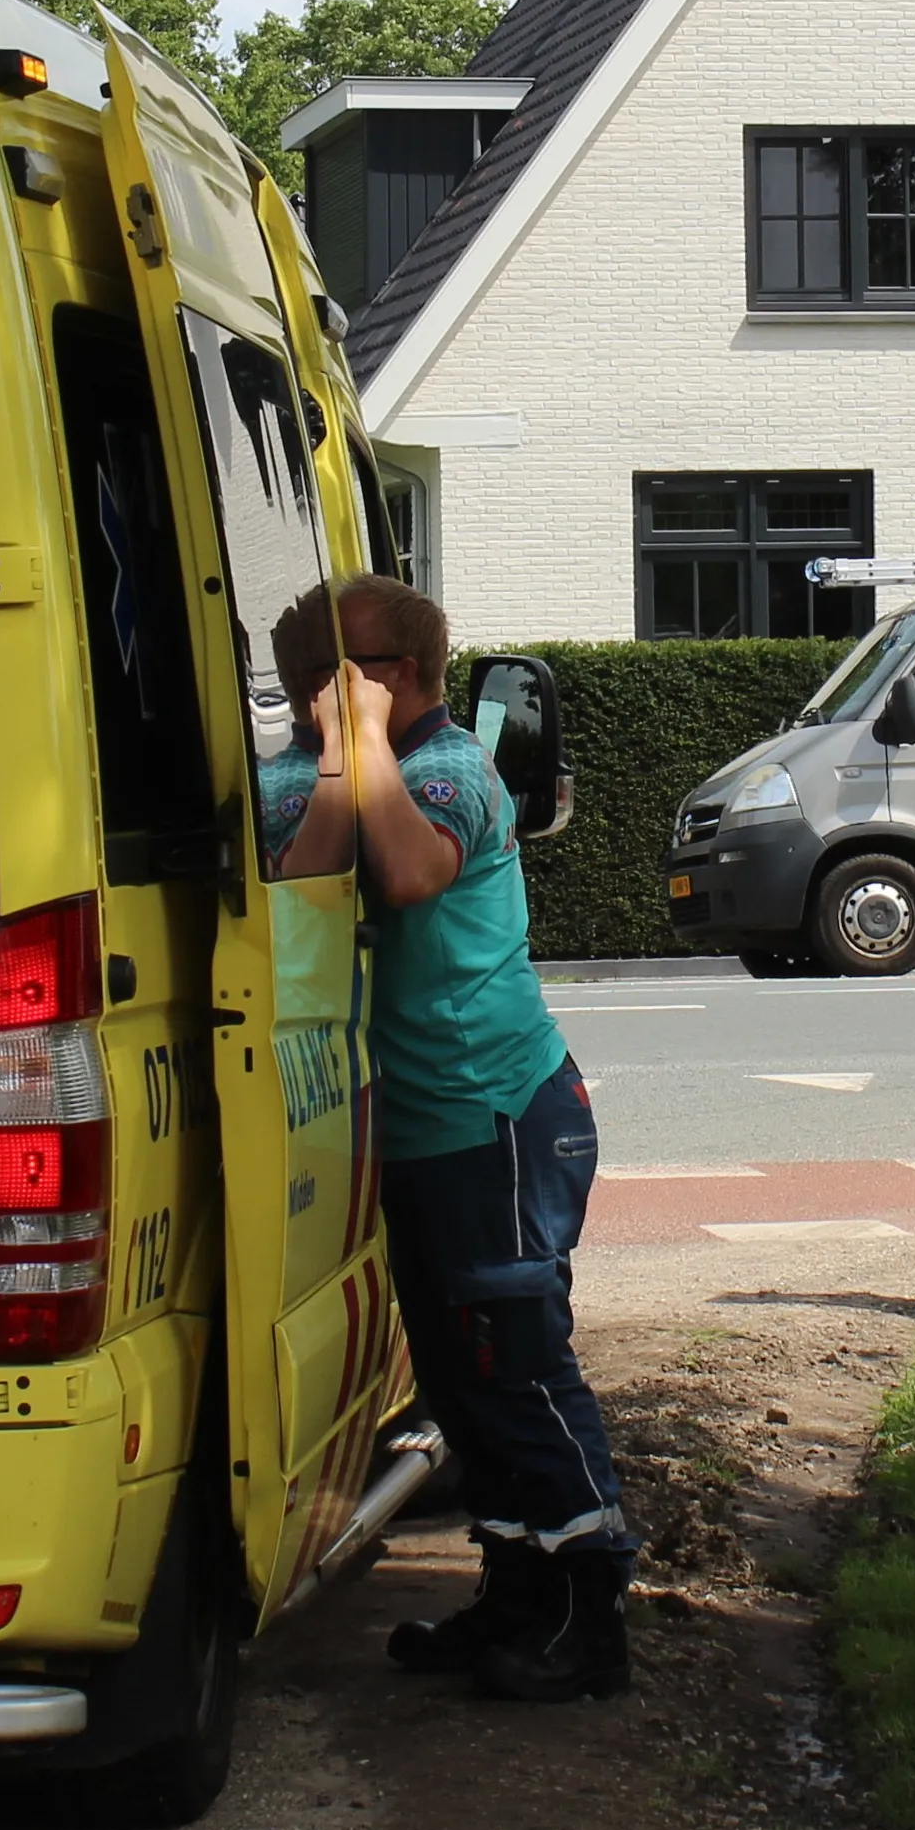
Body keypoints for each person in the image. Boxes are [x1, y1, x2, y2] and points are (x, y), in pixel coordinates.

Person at [292, 573, 635, 1701]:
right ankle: (515, 1592)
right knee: (456, 1374)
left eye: (350, 668)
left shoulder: (449, 771)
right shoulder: (330, 765)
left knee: (515, 1364)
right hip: (424, 1127)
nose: (323, 692)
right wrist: (338, 749)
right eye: (312, 673)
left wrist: (357, 740)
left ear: (412, 674)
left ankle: (590, 1611)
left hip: (498, 1117)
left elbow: (405, 868)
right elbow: (289, 868)